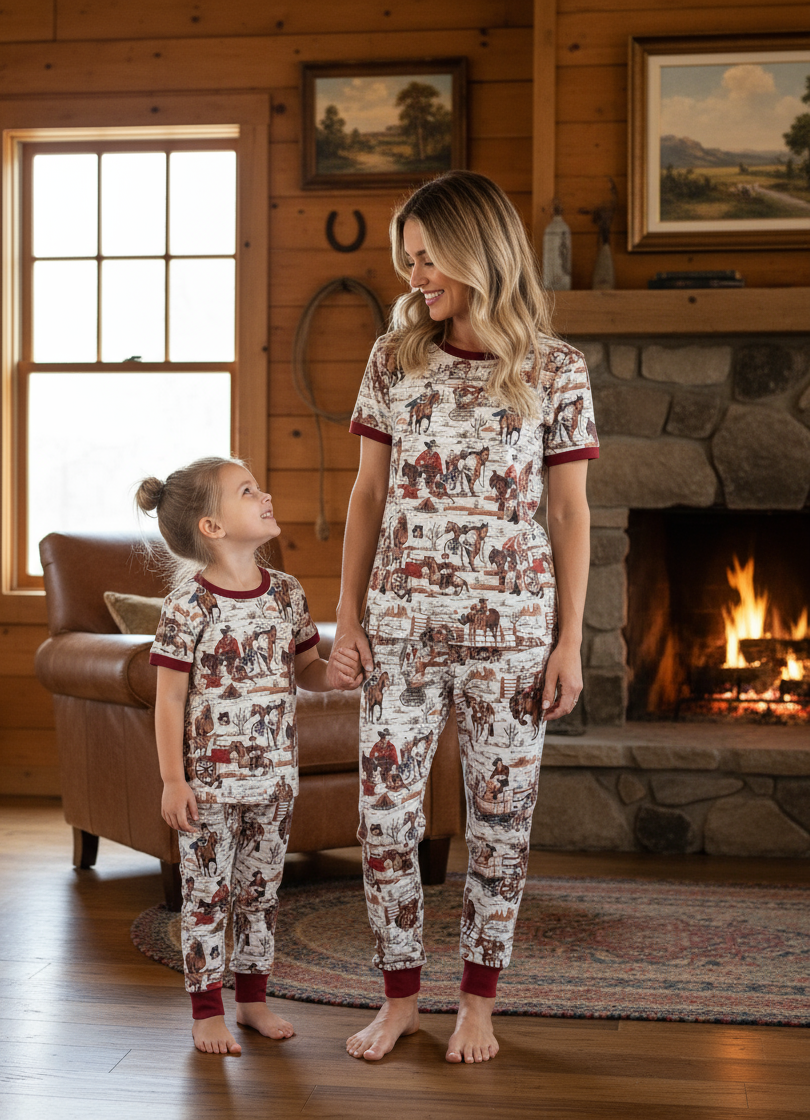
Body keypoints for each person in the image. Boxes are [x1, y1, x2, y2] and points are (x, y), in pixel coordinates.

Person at [326, 171, 599, 1064]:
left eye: (426, 257)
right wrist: (347, 617)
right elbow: (367, 497)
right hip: (400, 631)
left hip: (514, 640)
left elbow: (569, 514)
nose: (414, 278)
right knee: (384, 821)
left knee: (501, 823)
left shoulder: (555, 368)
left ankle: (478, 1003)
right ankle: (400, 994)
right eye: (406, 262)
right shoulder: (392, 359)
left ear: (476, 249)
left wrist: (568, 643)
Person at [138, 456, 335, 1055]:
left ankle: (252, 1001)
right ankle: (206, 1012)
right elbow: (169, 700)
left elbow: (308, 672)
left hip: (276, 784)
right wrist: (174, 779)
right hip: (210, 790)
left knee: (261, 894)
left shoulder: (289, 594)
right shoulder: (187, 607)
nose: (266, 495)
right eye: (247, 491)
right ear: (212, 527)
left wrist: (342, 673)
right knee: (207, 896)